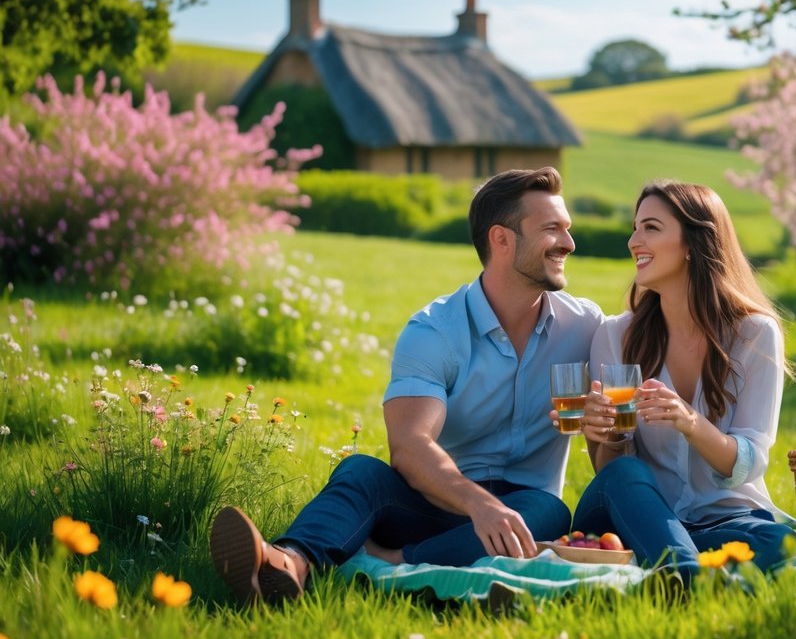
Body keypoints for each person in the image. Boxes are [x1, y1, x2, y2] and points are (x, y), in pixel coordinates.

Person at [210, 167, 604, 603]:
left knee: (548, 511)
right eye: (552, 229)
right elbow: (411, 446)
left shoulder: (585, 326)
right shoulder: (434, 331)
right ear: (502, 239)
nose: (569, 243)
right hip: (436, 502)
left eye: (567, 228)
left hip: (523, 510)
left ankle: (388, 561)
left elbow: (645, 331)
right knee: (361, 472)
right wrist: (478, 504)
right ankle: (287, 563)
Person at [566, 180, 795, 582]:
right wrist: (605, 434)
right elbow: (611, 470)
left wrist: (690, 422)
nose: (634, 241)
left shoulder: (755, 335)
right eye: (635, 228)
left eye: (651, 228)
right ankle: (688, 576)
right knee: (625, 475)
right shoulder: (615, 336)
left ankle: (671, 564)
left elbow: (749, 463)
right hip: (638, 514)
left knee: (779, 542)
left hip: (727, 519)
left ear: (693, 244)